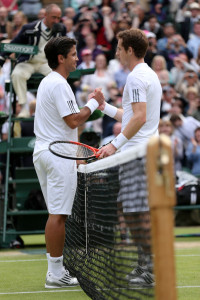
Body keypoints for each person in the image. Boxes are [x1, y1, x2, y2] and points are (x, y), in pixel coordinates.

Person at [33, 36, 104, 289]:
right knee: (58, 214)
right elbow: (73, 120)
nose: (77, 58)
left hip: (46, 153)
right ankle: (55, 274)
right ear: (61, 58)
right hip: (57, 155)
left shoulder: (48, 82)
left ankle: (55, 269)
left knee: (56, 214)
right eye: (73, 54)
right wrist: (94, 102)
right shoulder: (59, 84)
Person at [97, 28, 162, 287]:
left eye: (119, 47)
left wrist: (114, 144)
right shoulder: (147, 75)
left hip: (136, 153)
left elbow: (139, 117)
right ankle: (145, 264)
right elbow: (132, 116)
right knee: (133, 211)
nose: (116, 52)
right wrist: (104, 108)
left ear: (129, 50)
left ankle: (151, 268)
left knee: (137, 212)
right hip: (139, 152)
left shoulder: (136, 77)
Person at [0, 4, 66, 117]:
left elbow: (65, 48)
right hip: (28, 62)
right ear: (45, 15)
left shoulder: (60, 29)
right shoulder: (29, 28)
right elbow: (14, 43)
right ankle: (24, 107)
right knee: (17, 74)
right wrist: (1, 58)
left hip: (47, 63)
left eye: (58, 18)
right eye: (53, 17)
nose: (56, 20)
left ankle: (55, 108)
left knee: (58, 78)